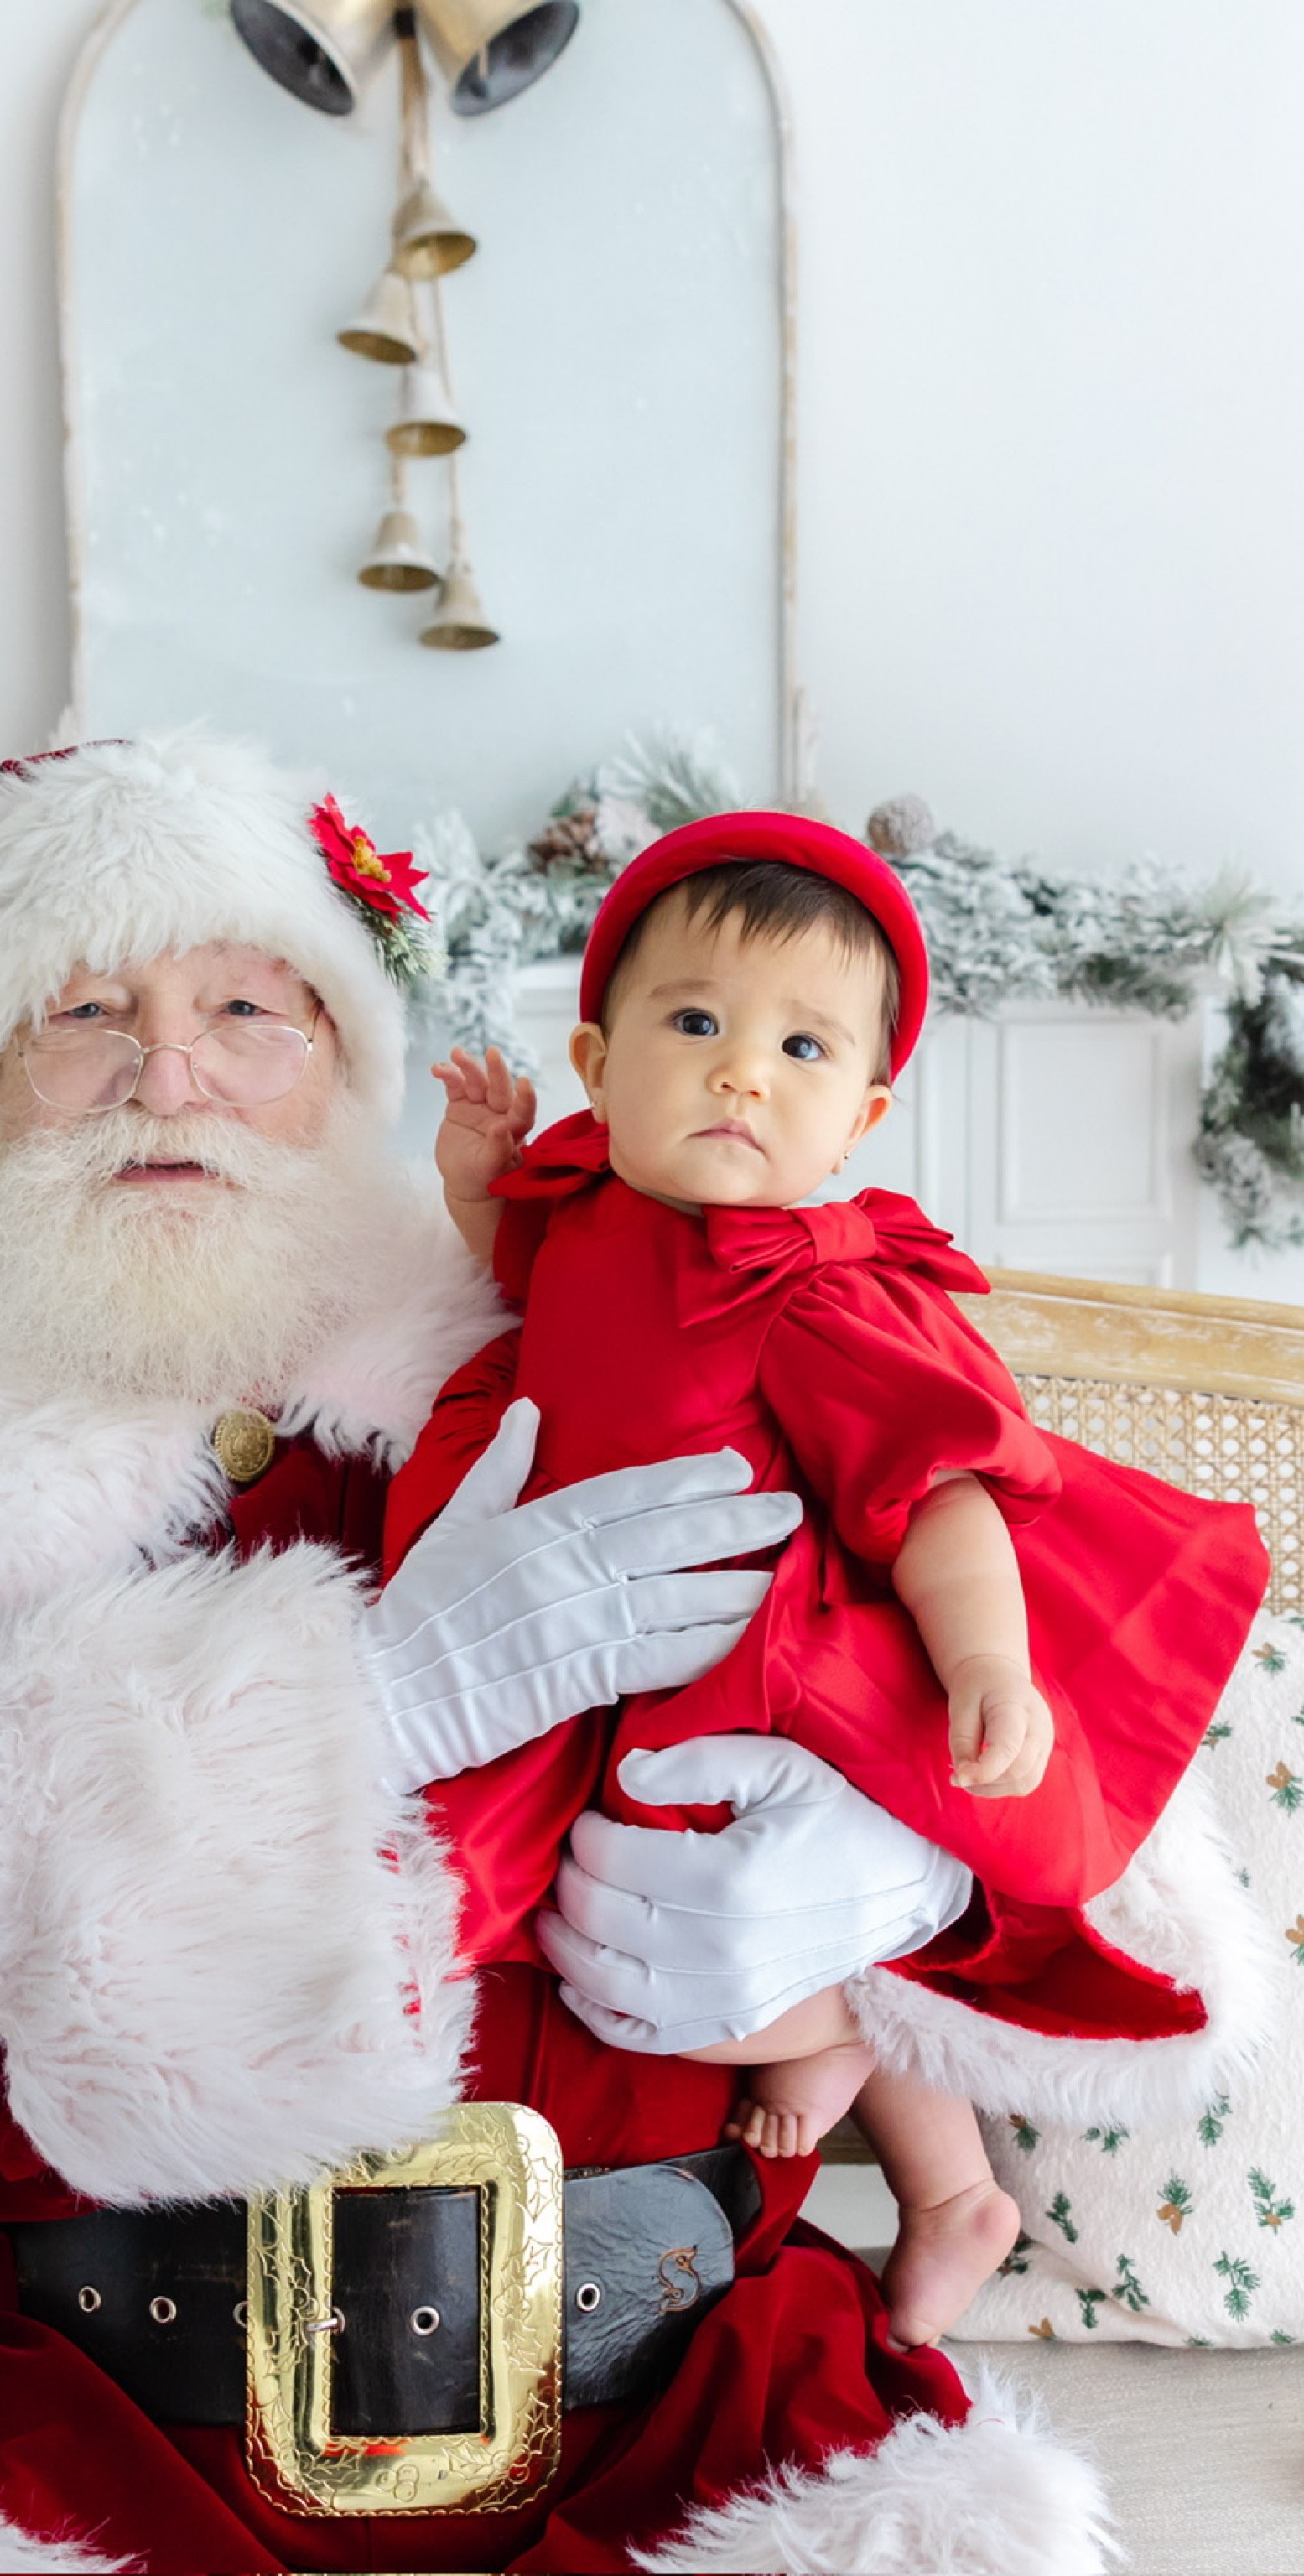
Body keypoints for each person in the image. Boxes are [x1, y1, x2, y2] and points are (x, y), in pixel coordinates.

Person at [0, 735, 1183, 2575]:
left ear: (345, 1063)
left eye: (247, 1008)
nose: (169, 1072)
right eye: (81, 1011)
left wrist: (896, 1881)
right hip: (65, 2426)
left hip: (698, 2414)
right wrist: (343, 1717)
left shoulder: (602, 1324)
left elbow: (1055, 1624)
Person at [397, 809, 1269, 2352]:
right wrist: (476, 1181)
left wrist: (987, 1662)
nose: (743, 1070)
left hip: (760, 1657)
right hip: (585, 1624)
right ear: (596, 1067)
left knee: (758, 1913)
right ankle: (897, 2155)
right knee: (599, 1908)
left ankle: (926, 2169)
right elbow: (521, 1288)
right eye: (695, 1023)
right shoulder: (595, 1205)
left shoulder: (810, 1290)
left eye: (803, 1049)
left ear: (862, 1116)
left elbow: (943, 1496)